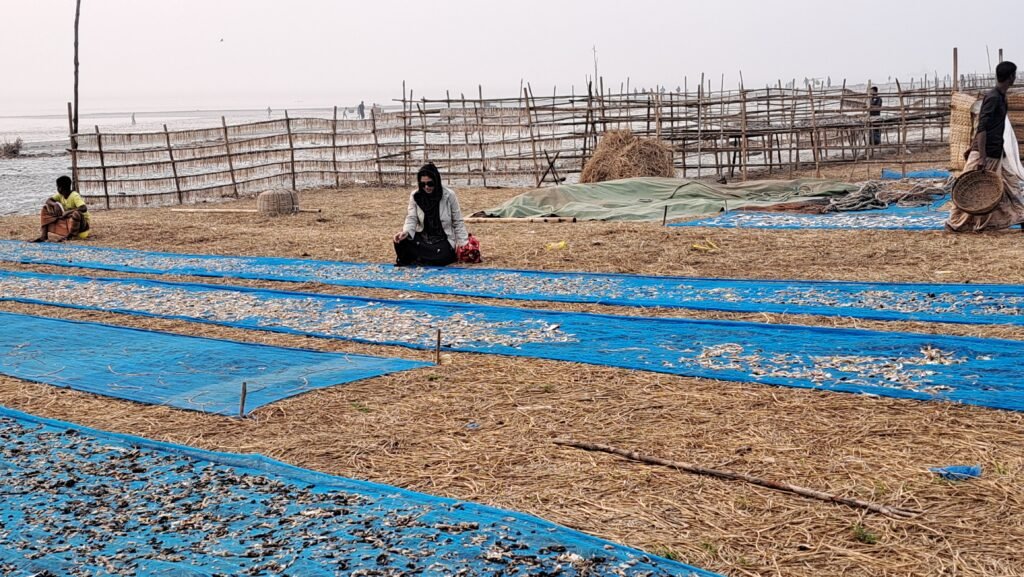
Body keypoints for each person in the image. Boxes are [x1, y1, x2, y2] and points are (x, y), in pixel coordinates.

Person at [947, 61, 1024, 232]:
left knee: (1012, 186)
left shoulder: (1001, 97)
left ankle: (1021, 216)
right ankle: (954, 223)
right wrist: (981, 156)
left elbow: (995, 127)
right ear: (1011, 77)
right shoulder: (993, 97)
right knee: (967, 188)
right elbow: (982, 127)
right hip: (985, 153)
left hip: (997, 152)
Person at [393, 163, 468, 266]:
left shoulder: (449, 195)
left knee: (442, 255)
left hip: (442, 240)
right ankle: (422, 258)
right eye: (423, 184)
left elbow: (458, 221)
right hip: (424, 238)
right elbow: (412, 217)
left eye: (430, 184)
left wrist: (463, 244)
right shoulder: (416, 196)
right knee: (400, 241)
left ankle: (420, 258)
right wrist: (406, 232)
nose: (426, 187)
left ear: (436, 181)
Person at [31, 175, 91, 242]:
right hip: (69, 223)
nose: (57, 188)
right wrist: (55, 204)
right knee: (46, 208)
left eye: (57, 186)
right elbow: (48, 200)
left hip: (80, 228)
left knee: (76, 214)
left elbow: (84, 208)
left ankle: (71, 236)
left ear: (60, 188)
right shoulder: (60, 195)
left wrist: (68, 212)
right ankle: (44, 236)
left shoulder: (75, 195)